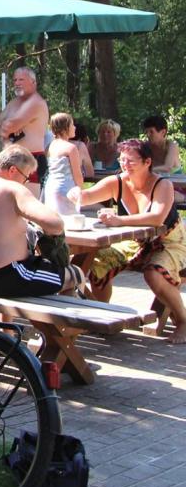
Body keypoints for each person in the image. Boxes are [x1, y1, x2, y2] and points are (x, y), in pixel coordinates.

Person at [68, 139, 186, 344]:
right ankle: (101, 315)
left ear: (147, 162)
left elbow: (157, 218)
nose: (125, 165)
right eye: (122, 160)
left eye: (131, 161)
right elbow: (87, 196)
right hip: (134, 242)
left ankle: (183, 321)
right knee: (97, 262)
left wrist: (119, 220)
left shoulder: (162, 184)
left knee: (154, 274)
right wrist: (76, 193)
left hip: (170, 240)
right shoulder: (117, 182)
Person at [0, 145, 83, 298]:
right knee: (76, 274)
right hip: (2, 278)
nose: (25, 183)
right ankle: (64, 321)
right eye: (26, 177)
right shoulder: (12, 189)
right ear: (13, 170)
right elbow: (56, 225)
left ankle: (6, 321)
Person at [0, 67, 49, 196]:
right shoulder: (14, 102)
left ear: (33, 82)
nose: (17, 83)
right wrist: (7, 128)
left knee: (28, 204)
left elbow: (8, 127)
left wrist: (8, 127)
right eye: (15, 80)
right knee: (9, 203)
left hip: (30, 158)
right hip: (11, 158)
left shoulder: (35, 102)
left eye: (21, 79)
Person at [42, 113, 84, 215]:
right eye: (72, 125)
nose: (74, 128)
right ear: (65, 128)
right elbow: (77, 175)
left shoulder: (49, 146)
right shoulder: (71, 148)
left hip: (51, 186)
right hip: (66, 188)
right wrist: (80, 189)